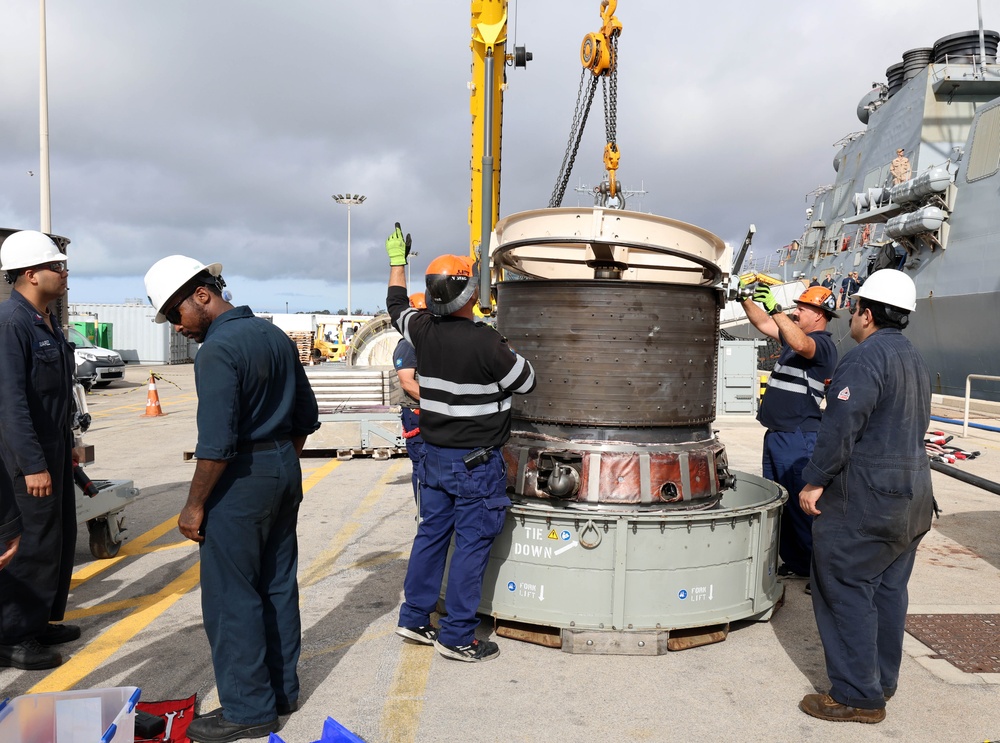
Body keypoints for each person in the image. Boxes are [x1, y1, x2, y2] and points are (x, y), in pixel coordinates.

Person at [144, 255, 319, 743]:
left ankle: (247, 709)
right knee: (277, 584)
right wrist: (279, 458)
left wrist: (194, 504)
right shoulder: (274, 335)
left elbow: (217, 443)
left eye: (176, 314)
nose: (177, 327)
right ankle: (282, 692)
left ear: (203, 294)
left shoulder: (218, 351)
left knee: (231, 595)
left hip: (240, 478)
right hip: (283, 466)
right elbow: (307, 414)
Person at [384, 224, 536, 663]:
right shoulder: (487, 343)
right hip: (476, 466)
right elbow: (527, 380)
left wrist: (398, 261)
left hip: (433, 457)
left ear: (431, 296)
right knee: (471, 544)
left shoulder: (419, 331)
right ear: (470, 295)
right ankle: (457, 636)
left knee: (431, 535)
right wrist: (498, 342)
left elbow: (396, 304)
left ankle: (414, 617)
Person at [798, 269, 932, 724]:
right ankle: (880, 679)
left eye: (854, 309)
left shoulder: (863, 358)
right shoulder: (912, 356)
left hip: (869, 499)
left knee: (844, 585)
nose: (851, 318)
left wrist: (815, 480)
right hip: (913, 500)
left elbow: (841, 428)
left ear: (867, 314)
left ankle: (857, 696)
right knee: (888, 591)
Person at [0, 230, 80, 670]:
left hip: (54, 449)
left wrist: (66, 447)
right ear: (31, 274)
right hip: (24, 460)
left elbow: (55, 397)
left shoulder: (44, 320)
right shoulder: (11, 323)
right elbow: (9, 402)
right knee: (30, 543)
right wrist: (31, 464)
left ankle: (40, 618)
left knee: (57, 538)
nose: (64, 273)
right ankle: (12, 635)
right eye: (56, 267)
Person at [741, 283, 838, 590]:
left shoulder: (821, 345)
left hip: (800, 437)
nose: (797, 312)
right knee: (781, 503)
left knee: (803, 506)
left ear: (819, 315)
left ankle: (821, 573)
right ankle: (797, 564)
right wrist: (742, 297)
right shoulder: (792, 338)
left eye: (803, 309)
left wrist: (776, 309)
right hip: (778, 436)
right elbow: (763, 323)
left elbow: (801, 344)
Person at [393, 292, 426, 513]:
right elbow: (407, 382)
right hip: (417, 413)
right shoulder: (408, 345)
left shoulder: (424, 341)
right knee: (423, 466)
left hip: (427, 410)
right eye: (421, 314)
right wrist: (440, 402)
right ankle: (424, 513)